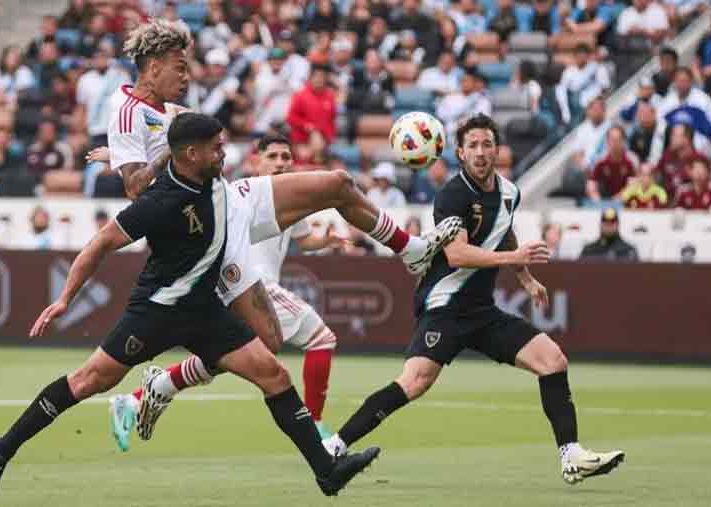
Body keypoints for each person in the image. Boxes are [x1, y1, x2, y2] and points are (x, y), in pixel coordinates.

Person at [0, 114, 380, 506]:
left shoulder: (212, 179)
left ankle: (326, 470)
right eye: (216, 148)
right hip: (156, 312)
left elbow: (169, 134)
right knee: (87, 382)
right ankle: (0, 450)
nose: (224, 154)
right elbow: (101, 243)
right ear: (190, 154)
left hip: (204, 310)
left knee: (273, 374)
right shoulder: (161, 201)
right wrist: (65, 299)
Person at [87, 16, 462, 441]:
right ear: (153, 66)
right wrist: (165, 152)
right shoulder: (127, 111)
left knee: (338, 183)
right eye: (179, 65)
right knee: (267, 342)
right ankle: (159, 388)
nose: (186, 74)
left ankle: (411, 249)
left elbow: (206, 147)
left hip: (231, 202)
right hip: (206, 235)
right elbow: (137, 188)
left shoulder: (172, 110)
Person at [321, 114, 625, 485]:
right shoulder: (452, 194)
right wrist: (514, 260)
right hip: (445, 306)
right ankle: (335, 445)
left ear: (497, 150)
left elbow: (503, 230)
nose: (481, 152)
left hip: (482, 311)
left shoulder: (510, 192)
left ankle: (571, 455)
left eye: (487, 144)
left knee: (553, 361)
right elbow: (458, 255)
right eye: (473, 146)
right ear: (460, 153)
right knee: (414, 381)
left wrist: (526, 278)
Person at [109, 135, 349, 450]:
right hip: (249, 285)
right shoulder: (240, 194)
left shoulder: (291, 198)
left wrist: (326, 242)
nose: (281, 163)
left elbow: (303, 239)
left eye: (286, 157)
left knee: (229, 357)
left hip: (255, 288)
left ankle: (146, 393)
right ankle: (315, 427)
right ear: (255, 162)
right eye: (273, 156)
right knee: (321, 338)